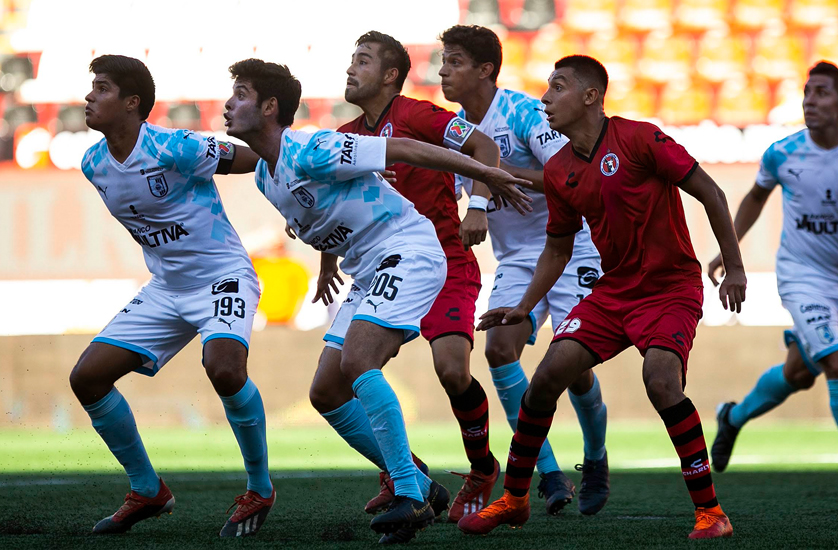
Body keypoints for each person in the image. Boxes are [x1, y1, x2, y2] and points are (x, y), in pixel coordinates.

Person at [222, 58, 531, 541]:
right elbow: (324, 219)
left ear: (268, 107)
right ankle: (417, 479)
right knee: (326, 391)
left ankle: (408, 493)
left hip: (409, 249)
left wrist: (483, 179)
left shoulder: (314, 147)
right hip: (367, 268)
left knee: (359, 360)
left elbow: (408, 148)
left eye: (240, 94)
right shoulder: (266, 175)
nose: (227, 103)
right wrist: (327, 262)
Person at [460, 55, 747, 541]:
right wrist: (525, 307)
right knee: (548, 375)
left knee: (660, 381)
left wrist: (734, 266)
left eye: (558, 87)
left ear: (591, 96)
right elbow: (557, 247)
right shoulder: (560, 171)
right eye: (546, 89)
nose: (546, 98)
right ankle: (515, 499)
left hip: (670, 289)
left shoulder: (640, 138)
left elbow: (712, 194)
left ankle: (711, 512)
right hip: (613, 292)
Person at [72, 55, 274, 537]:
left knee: (224, 368)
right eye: (91, 88)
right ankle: (147, 490)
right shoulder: (93, 164)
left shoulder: (175, 146)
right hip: (166, 288)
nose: (88, 97)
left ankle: (260, 487)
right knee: (87, 378)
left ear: (131, 103)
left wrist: (291, 198)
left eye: (101, 89)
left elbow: (259, 157)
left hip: (223, 275)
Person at [315, 30, 503, 523]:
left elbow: (483, 146)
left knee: (452, 370)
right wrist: (327, 262)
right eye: (350, 59)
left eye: (362, 60)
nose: (351, 69)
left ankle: (483, 468)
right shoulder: (344, 136)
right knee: (338, 383)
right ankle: (408, 475)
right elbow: (331, 208)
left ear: (391, 75)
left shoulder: (417, 115)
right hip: (380, 269)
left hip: (442, 259)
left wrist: (478, 205)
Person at [709, 62, 838, 498]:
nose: (810, 101)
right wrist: (731, 251)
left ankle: (733, 417)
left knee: (800, 373)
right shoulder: (782, 152)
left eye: (820, 93)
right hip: (798, 275)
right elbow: (754, 199)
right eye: (806, 92)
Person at [439, 24, 609, 516]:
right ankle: (549, 472)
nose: (443, 70)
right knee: (497, 350)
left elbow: (566, 176)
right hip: (516, 257)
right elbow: (460, 197)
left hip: (573, 247)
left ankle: (595, 459)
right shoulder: (454, 133)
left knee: (573, 369)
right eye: (443, 61)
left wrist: (493, 177)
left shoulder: (523, 112)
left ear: (485, 70)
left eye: (453, 61)